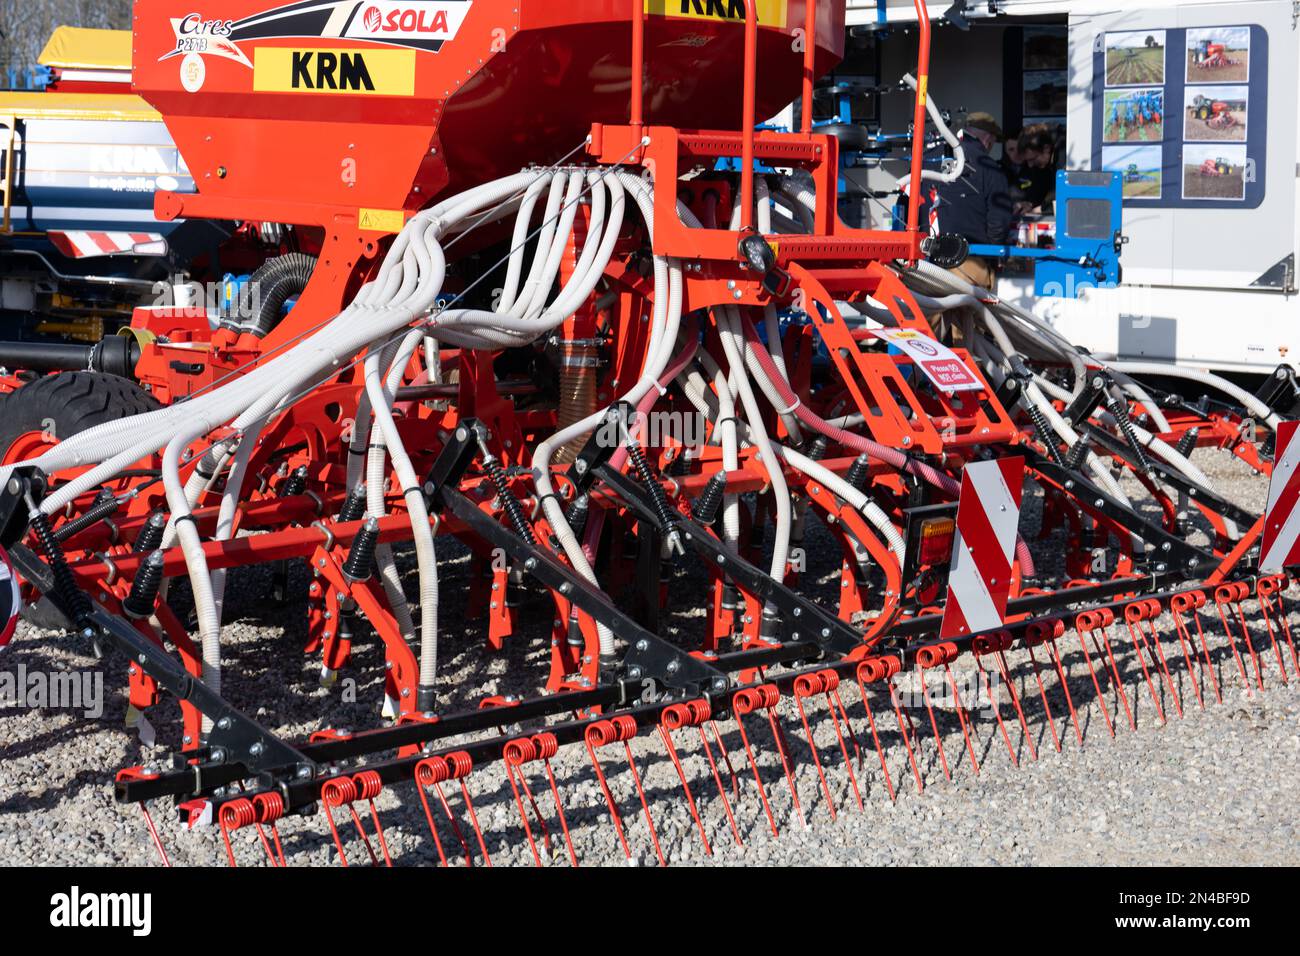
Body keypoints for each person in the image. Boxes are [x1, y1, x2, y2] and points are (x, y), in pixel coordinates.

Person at [934, 112, 1013, 289]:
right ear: (988, 139)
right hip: (968, 260)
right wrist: (992, 256)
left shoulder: (929, 157)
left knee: (928, 314)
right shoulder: (989, 168)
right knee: (972, 315)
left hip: (924, 260)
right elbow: (999, 221)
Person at [1015, 123, 1061, 212]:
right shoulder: (1038, 167)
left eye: (1033, 159)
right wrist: (1030, 203)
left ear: (1046, 149)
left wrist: (1042, 209)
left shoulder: (1062, 159)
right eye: (1027, 161)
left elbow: (1060, 194)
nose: (1030, 165)